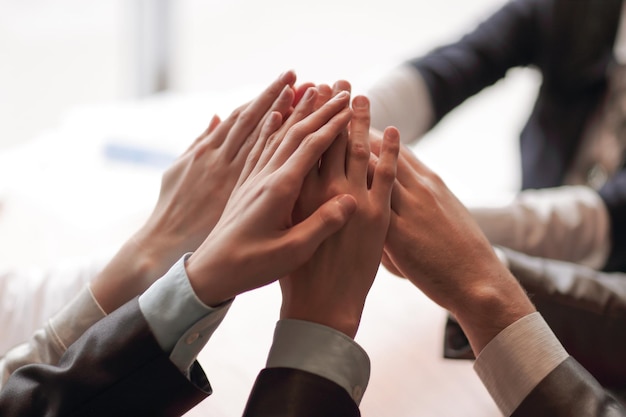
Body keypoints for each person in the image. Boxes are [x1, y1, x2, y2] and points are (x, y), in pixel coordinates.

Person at [366, 0, 626, 273]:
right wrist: (347, 124)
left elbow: (609, 219)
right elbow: (457, 64)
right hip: (534, 249)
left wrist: (452, 227)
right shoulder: (574, 9)